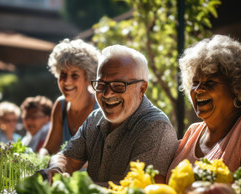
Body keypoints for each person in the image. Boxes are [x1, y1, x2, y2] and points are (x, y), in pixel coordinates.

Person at [38, 44, 179, 185]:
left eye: (118, 86)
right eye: (101, 85)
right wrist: (56, 169)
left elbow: (139, 191)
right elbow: (67, 157)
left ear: (142, 88)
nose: (107, 93)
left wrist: (72, 186)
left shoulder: (156, 128)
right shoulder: (95, 118)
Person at [166, 34, 241, 182]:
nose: (198, 89)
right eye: (195, 82)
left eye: (210, 82)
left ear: (237, 89)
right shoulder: (192, 133)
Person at [39, 38, 100, 156]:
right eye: (63, 74)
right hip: (62, 172)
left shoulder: (100, 108)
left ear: (88, 79)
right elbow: (49, 149)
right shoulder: (60, 105)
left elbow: (98, 158)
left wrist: (61, 164)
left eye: (75, 75)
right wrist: (41, 158)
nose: (67, 81)